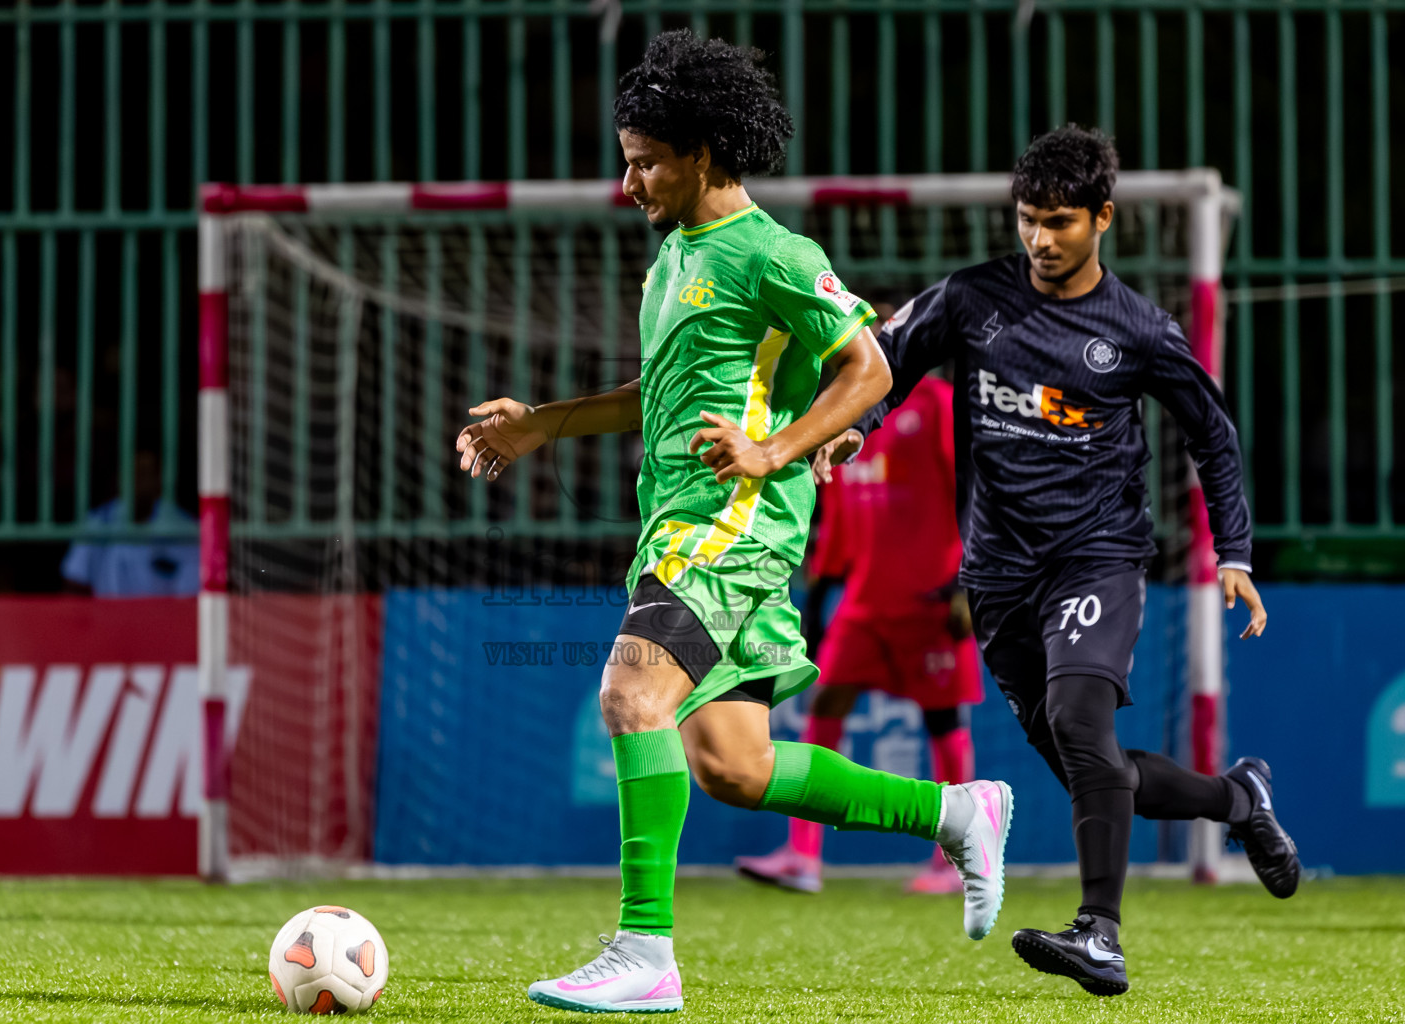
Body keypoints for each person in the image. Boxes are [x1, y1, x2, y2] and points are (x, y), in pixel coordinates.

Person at [455, 30, 1014, 1015]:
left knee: (632, 695)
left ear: (703, 154)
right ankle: (959, 811)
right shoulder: (671, 259)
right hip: (679, 518)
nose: (629, 184)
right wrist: (546, 423)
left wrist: (777, 446)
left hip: (732, 522)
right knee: (733, 764)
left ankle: (645, 949)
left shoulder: (773, 252)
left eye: (645, 163)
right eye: (626, 161)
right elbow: (657, 392)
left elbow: (870, 366)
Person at [825, 124, 1299, 997]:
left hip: (1097, 559)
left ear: (1103, 220)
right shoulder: (971, 299)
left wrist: (1234, 549)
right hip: (998, 579)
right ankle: (1240, 800)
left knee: (1084, 729)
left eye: (1061, 222)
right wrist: (857, 424)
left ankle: (1101, 935)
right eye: (1029, 220)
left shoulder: (1138, 329)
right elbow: (883, 362)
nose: (1042, 240)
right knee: (1100, 769)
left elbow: (1214, 436)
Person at [735, 370, 984, 895]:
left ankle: (957, 861)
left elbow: (972, 482)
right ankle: (803, 856)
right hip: (864, 601)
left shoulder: (936, 403)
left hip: (931, 593)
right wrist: (820, 599)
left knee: (943, 718)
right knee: (825, 703)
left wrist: (967, 580)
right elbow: (842, 519)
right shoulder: (844, 419)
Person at [61, 450, 198, 597]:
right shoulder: (98, 522)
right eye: (131, 472)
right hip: (107, 615)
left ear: (160, 479)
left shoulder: (183, 526)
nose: (137, 479)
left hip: (161, 616)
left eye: (145, 473)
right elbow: (75, 583)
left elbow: (191, 596)